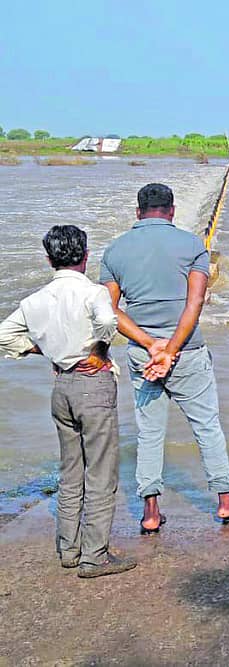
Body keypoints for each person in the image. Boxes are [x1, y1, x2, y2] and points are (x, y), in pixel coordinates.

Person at [100, 183, 229, 534]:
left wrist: (151, 346)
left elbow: (109, 310)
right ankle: (225, 503)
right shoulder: (192, 246)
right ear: (172, 210)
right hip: (188, 352)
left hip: (142, 355)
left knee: (149, 433)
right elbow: (194, 304)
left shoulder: (115, 250)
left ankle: (150, 512)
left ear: (137, 212)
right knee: (207, 426)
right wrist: (171, 349)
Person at [0, 225, 136, 578]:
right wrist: (100, 349)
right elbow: (108, 321)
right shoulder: (94, 293)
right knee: (101, 472)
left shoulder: (34, 301)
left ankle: (69, 548)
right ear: (86, 256)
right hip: (93, 382)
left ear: (49, 259)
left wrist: (38, 349)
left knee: (70, 469)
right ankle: (95, 556)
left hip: (61, 386)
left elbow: (3, 336)